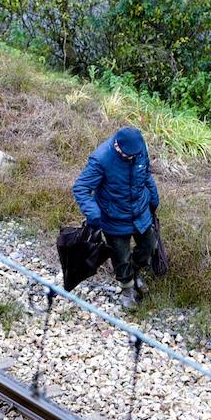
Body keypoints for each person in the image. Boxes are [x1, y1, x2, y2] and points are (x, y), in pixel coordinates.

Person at [72, 126, 160, 309]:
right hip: (114, 217)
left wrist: (153, 195)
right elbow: (80, 187)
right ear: (118, 147)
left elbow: (146, 174)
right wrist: (94, 214)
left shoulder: (138, 148)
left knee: (149, 246)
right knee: (121, 257)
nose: (132, 158)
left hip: (140, 211)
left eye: (135, 155)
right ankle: (127, 289)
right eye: (128, 155)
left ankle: (135, 273)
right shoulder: (101, 158)